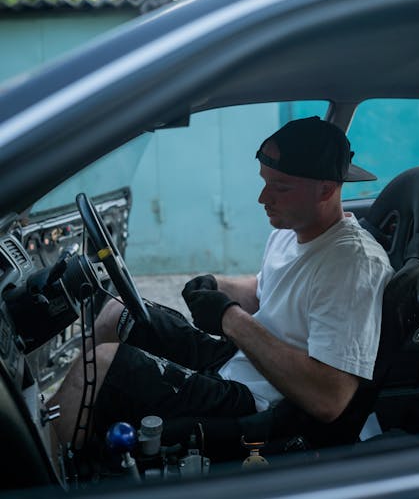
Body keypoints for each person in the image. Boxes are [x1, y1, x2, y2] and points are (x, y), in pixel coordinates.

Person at [52, 116, 394, 451]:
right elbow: (266, 291)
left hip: (263, 403)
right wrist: (217, 285)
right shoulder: (292, 232)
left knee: (102, 363)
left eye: (281, 188)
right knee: (117, 312)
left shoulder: (352, 266)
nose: (264, 198)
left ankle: (42, 471)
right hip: (240, 361)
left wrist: (230, 318)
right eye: (265, 181)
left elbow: (329, 398)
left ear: (327, 189)